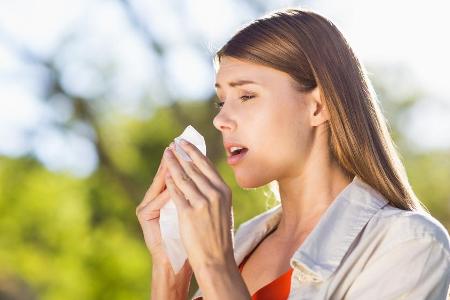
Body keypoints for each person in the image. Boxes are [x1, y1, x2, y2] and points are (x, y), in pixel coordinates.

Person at [136, 7, 450, 300]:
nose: (220, 120)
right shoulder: (240, 246)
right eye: (222, 101)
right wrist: (171, 270)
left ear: (318, 106)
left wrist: (216, 268)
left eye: (246, 95)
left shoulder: (410, 245)